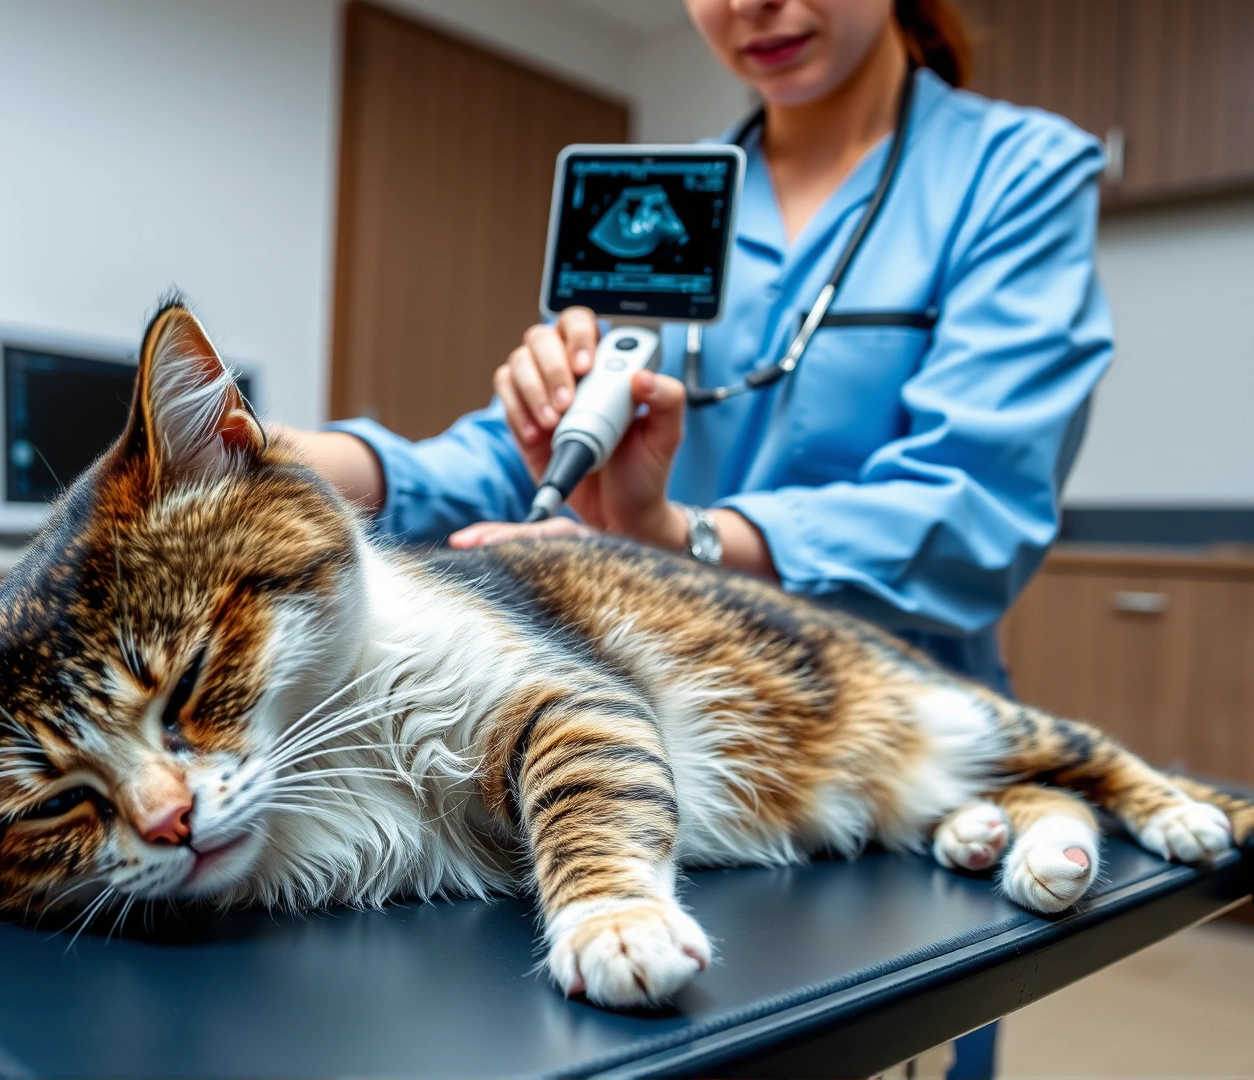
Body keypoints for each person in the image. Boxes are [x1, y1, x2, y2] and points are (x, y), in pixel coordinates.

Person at [287, 1, 1111, 1072]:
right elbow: (519, 458)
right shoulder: (653, 202)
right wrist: (292, 462)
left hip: (886, 760)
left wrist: (680, 539)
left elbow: (971, 512)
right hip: (657, 754)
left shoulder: (1015, 171)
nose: (748, 5)